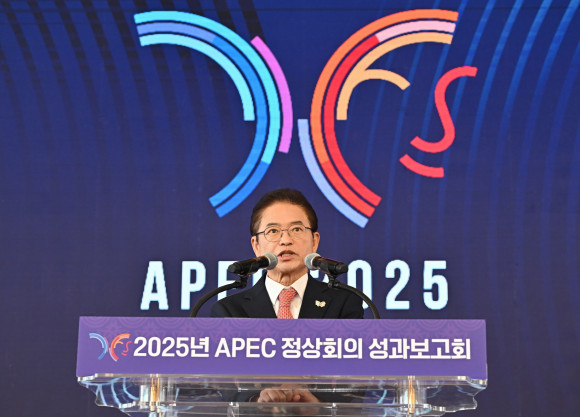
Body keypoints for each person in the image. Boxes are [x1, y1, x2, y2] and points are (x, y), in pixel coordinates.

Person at [210, 188, 364, 404]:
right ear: (256, 245)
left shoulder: (344, 303)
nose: (285, 240)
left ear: (314, 241)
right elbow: (225, 384)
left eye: (296, 229)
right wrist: (256, 401)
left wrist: (316, 404)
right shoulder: (228, 311)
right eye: (273, 231)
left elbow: (354, 381)